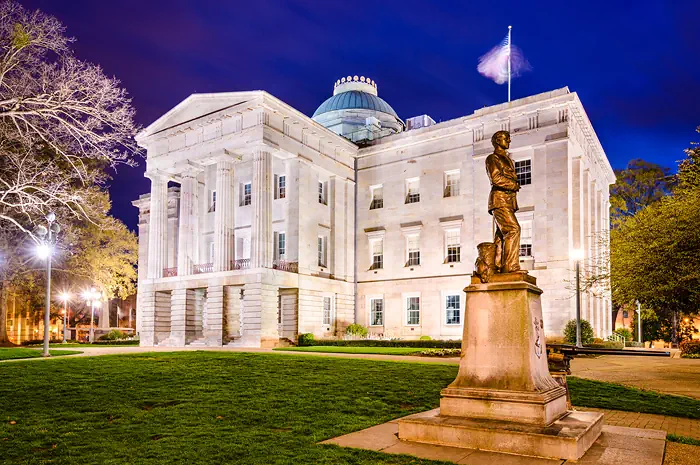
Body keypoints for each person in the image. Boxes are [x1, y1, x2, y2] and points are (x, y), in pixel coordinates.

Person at [485, 130, 521, 273]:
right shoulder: (493, 158)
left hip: (508, 201)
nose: (509, 141)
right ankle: (511, 267)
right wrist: (513, 185)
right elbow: (496, 178)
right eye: (506, 138)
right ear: (497, 140)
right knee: (513, 229)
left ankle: (497, 265)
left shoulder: (508, 159)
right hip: (499, 199)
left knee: (501, 235)